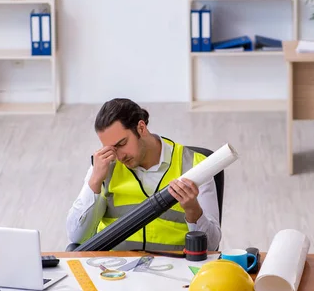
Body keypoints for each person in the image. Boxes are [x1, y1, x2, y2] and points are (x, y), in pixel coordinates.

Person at [66, 98, 221, 251]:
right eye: (110, 148)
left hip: (175, 268)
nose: (119, 157)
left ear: (141, 128)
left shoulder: (196, 166)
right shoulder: (103, 167)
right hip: (114, 270)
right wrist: (94, 182)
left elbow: (212, 246)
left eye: (121, 144)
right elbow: (76, 238)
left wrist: (193, 210)